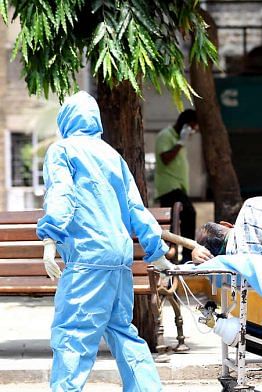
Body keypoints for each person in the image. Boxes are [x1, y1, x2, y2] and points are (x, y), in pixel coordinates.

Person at [37, 91, 176, 391]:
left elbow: (61, 195)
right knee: (123, 332)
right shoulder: (113, 156)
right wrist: (157, 253)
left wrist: (50, 239)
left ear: (67, 120)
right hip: (119, 261)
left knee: (73, 335)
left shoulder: (62, 151)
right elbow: (136, 208)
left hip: (87, 259)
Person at [155, 109, 198, 261]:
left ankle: (178, 258)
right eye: (192, 127)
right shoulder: (165, 136)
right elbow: (165, 159)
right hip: (169, 187)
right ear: (185, 125)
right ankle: (186, 257)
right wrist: (180, 143)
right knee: (189, 214)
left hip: (178, 187)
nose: (193, 131)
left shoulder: (180, 139)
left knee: (175, 223)